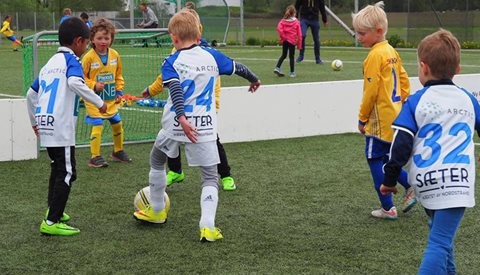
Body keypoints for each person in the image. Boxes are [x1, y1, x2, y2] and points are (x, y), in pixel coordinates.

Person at [133, 10, 260, 242]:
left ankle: (157, 210)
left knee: (157, 160)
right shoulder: (212, 56)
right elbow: (238, 67)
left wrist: (181, 117)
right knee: (210, 177)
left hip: (175, 123)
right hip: (204, 126)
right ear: (198, 33)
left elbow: (177, 91)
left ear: (174, 38)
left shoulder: (171, 61)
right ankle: (207, 226)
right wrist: (254, 79)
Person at [380, 29, 480, 274]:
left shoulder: (415, 101)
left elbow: (400, 145)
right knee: (439, 242)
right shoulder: (468, 99)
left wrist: (390, 180)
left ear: (423, 68)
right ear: (458, 69)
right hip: (456, 182)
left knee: (442, 240)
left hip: (426, 183)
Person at [141, 7, 237, 191]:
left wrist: (214, 104)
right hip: (180, 106)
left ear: (197, 29)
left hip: (203, 108)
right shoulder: (175, 50)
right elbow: (164, 78)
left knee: (212, 140)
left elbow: (215, 82)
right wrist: (151, 90)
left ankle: (225, 175)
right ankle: (176, 171)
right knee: (171, 136)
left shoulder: (206, 52)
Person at [26, 17, 107, 236]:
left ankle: (54, 211)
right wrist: (99, 102)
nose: (87, 47)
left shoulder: (50, 63)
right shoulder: (72, 61)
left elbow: (30, 94)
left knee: (57, 168)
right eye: (87, 42)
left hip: (46, 123)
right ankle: (51, 222)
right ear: (78, 41)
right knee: (67, 172)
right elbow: (73, 83)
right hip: (61, 126)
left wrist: (35, 122)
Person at [352, 1, 416, 220]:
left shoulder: (374, 56)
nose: (358, 37)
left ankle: (388, 207)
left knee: (373, 159)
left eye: (362, 33)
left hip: (379, 120)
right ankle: (410, 186)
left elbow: (370, 91)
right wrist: (404, 104)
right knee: (387, 158)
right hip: (396, 115)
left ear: (378, 31)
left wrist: (362, 118)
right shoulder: (391, 51)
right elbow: (405, 80)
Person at [82, 18, 132, 168]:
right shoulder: (88, 57)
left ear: (111, 39)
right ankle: (95, 156)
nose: (103, 41)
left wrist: (119, 90)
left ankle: (117, 151)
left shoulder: (115, 55)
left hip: (110, 99)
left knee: (117, 122)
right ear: (92, 39)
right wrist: (93, 85)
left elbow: (118, 75)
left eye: (106, 38)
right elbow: (80, 78)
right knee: (98, 124)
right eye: (99, 38)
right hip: (93, 99)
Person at [294, 0, 327, 64]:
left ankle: (318, 59)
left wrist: (324, 20)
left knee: (316, 39)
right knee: (302, 35)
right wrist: (295, 19)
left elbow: (322, 8)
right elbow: (296, 7)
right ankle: (301, 55)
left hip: (315, 19)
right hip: (304, 19)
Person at [274, 5, 302, 78]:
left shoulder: (283, 21)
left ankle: (277, 67)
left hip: (285, 41)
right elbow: (300, 35)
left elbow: (279, 29)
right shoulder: (296, 22)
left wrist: (283, 38)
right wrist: (299, 45)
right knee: (291, 57)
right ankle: (292, 73)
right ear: (294, 13)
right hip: (292, 41)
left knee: (283, 55)